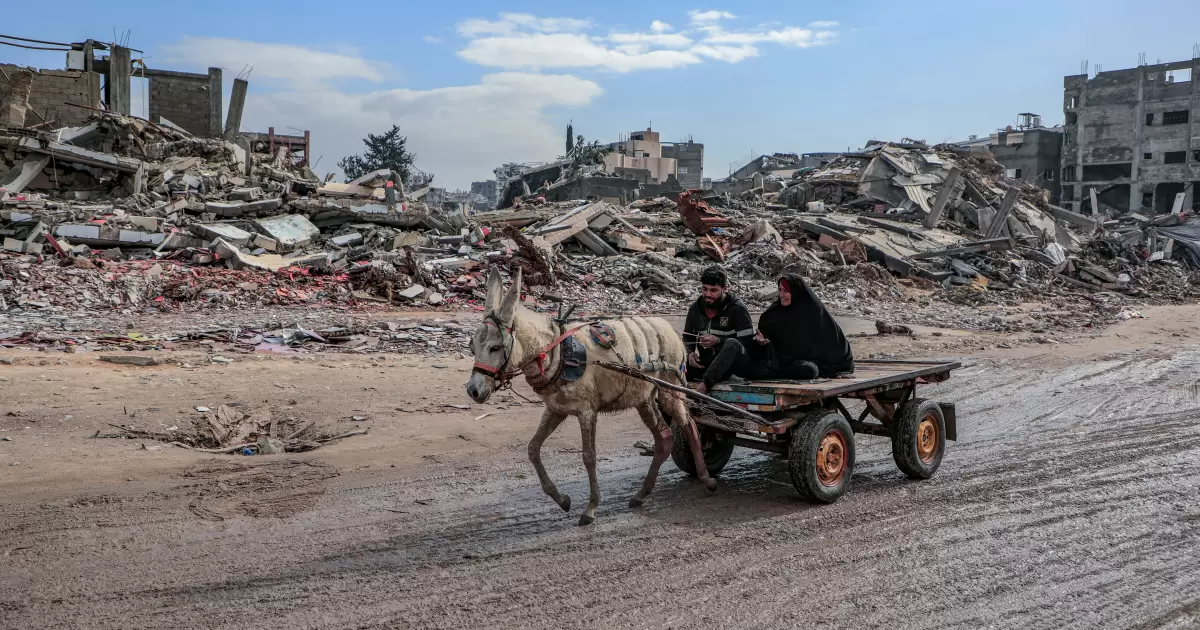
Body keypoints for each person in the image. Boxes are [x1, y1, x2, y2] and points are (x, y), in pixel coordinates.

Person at [752, 273, 854, 380]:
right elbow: (764, 334)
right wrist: (762, 340)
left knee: (809, 370)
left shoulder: (813, 310)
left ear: (796, 291)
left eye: (786, 291)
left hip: (805, 362)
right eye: (780, 290)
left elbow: (830, 342)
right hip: (780, 360)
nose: (781, 295)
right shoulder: (774, 312)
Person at [683, 266, 755, 394]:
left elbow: (748, 342)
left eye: (713, 290)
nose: (708, 294)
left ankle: (703, 387)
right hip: (708, 365)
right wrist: (689, 354)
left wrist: (719, 341)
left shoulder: (737, 309)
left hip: (735, 367)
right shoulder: (695, 309)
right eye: (704, 289)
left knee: (731, 343)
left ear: (725, 289)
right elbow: (688, 338)